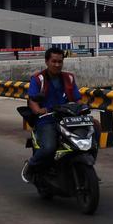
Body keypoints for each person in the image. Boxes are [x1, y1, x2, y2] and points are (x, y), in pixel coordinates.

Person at [22, 47, 82, 182]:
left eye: (60, 62)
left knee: (94, 129)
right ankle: (31, 165)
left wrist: (81, 107)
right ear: (47, 62)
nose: (57, 65)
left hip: (68, 118)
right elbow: (32, 99)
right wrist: (38, 110)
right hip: (47, 119)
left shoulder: (69, 78)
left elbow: (77, 99)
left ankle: (85, 167)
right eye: (54, 61)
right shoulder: (38, 79)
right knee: (49, 147)